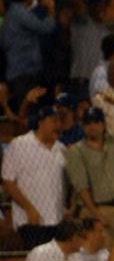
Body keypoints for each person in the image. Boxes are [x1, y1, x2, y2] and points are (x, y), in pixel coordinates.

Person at [65, 106, 114, 245]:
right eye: (88, 123)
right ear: (83, 126)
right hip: (100, 210)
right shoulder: (76, 151)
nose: (92, 126)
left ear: (103, 124)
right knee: (104, 254)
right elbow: (81, 187)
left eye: (96, 122)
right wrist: (97, 214)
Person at [2, 105, 66, 249]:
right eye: (54, 121)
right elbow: (8, 182)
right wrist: (29, 208)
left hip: (57, 220)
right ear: (41, 122)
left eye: (59, 121)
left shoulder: (61, 148)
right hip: (31, 220)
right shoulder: (19, 145)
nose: (58, 125)